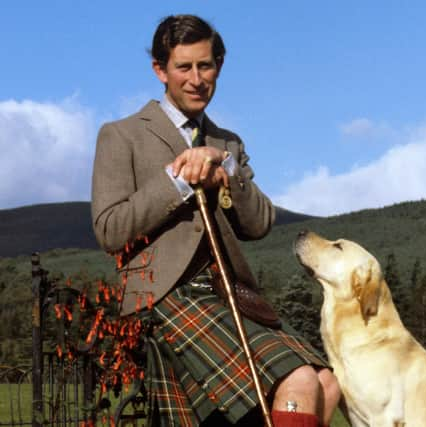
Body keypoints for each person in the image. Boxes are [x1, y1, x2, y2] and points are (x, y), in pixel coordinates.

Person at [91, 14, 340, 427]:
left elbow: (259, 224)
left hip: (229, 294)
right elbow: (109, 229)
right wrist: (177, 180)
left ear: (218, 66)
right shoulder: (122, 135)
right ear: (160, 70)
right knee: (299, 381)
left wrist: (226, 168)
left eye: (205, 66)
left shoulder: (228, 142)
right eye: (183, 67)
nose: (196, 79)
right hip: (167, 296)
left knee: (326, 383)